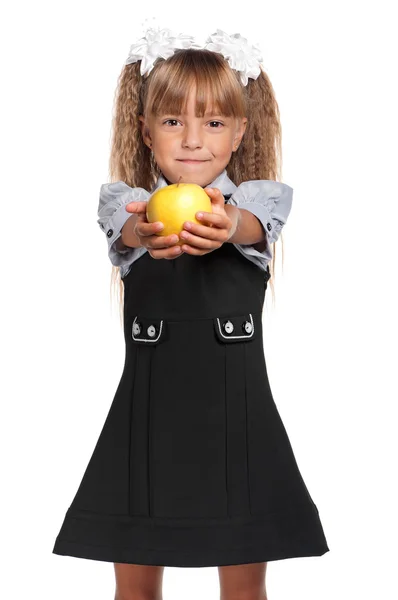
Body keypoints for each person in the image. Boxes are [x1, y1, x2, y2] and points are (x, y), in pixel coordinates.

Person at [52, 25, 329, 600]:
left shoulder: (258, 200)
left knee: (246, 590)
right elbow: (126, 228)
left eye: (214, 122)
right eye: (174, 121)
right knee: (134, 589)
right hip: (145, 423)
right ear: (146, 131)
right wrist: (147, 227)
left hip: (238, 423)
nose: (193, 139)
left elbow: (251, 226)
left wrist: (225, 226)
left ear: (239, 133)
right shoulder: (124, 202)